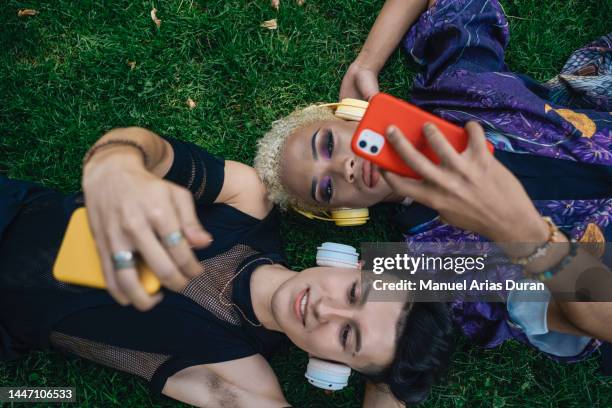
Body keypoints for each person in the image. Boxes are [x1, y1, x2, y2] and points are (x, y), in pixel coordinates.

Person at [254, 0, 611, 365]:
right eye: (326, 189)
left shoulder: (455, 92)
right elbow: (598, 319)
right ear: (347, 214)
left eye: (328, 144)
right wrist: (524, 234)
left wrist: (366, 63)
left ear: (353, 113)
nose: (343, 167)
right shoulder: (434, 262)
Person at [0, 127, 453, 407]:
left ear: (330, 369)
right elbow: (148, 147)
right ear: (347, 260)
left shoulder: (244, 380)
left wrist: (390, 380)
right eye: (354, 294)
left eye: (346, 336)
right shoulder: (245, 202)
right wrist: (118, 164)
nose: (325, 311)